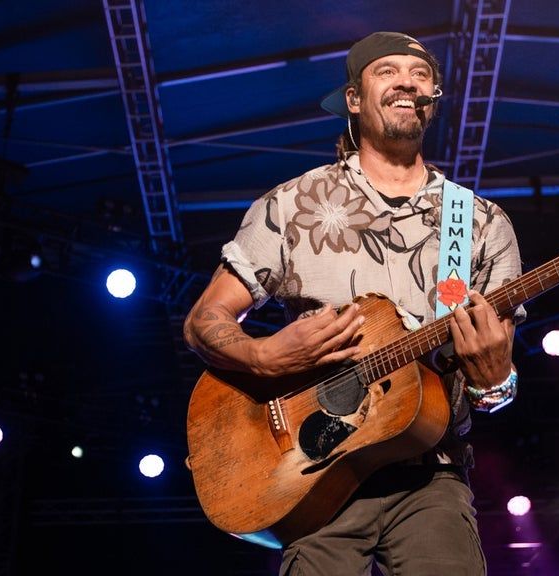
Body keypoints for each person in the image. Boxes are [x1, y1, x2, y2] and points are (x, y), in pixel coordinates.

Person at [184, 31, 524, 576]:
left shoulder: (479, 223)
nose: (406, 82)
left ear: (432, 99)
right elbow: (204, 320)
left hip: (431, 472)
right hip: (316, 473)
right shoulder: (294, 204)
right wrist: (263, 356)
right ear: (354, 99)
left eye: (419, 75)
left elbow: (495, 391)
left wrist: (496, 380)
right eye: (387, 71)